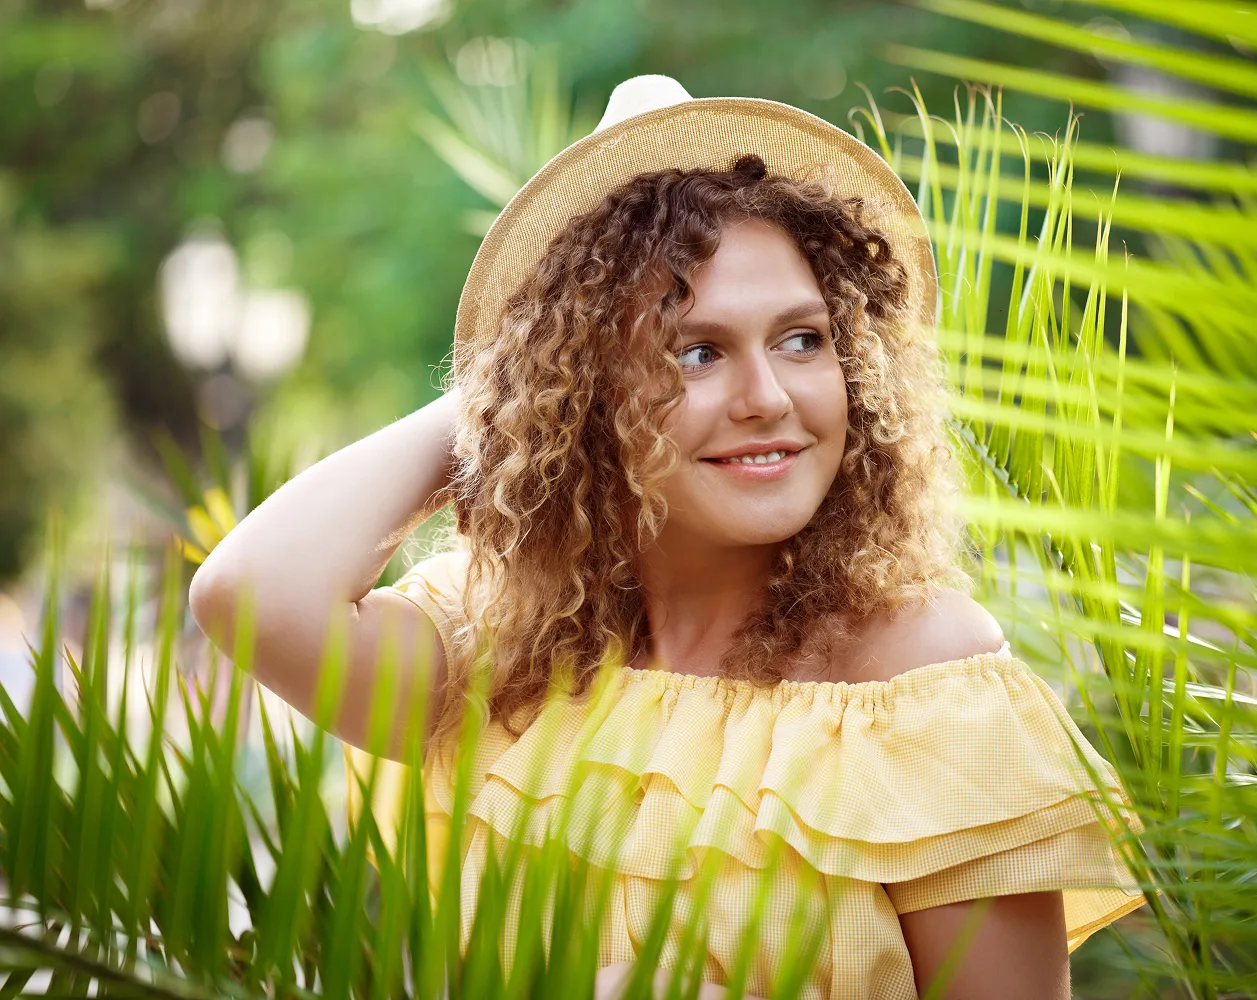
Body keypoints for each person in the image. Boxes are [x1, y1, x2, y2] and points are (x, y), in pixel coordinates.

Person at [189, 75, 1144, 1000]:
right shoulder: (497, 662)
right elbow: (251, 595)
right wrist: (507, 394)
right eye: (697, 351)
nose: (768, 398)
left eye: (804, 339)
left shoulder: (925, 688)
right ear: (586, 397)